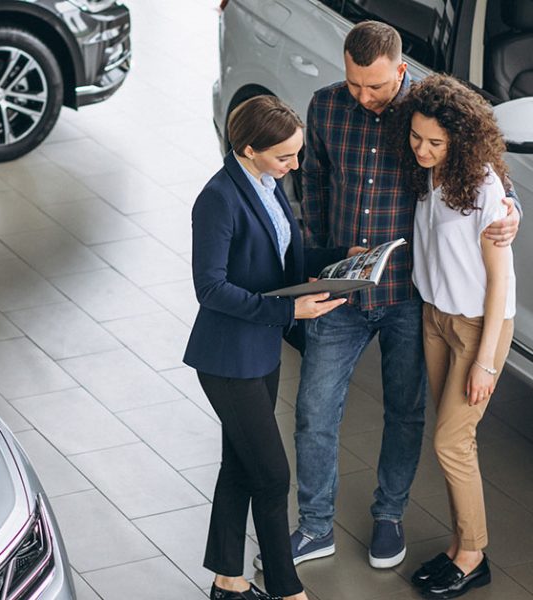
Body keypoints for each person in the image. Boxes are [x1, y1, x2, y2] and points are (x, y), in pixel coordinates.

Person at [280, 21, 521, 571]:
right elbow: (312, 179)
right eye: (354, 84)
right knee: (314, 410)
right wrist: (321, 253)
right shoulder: (325, 108)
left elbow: (489, 178)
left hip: (409, 296)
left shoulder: (428, 118)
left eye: (377, 87)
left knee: (407, 412)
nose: (364, 97)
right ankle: (316, 526)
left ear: (401, 72)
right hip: (340, 290)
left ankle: (389, 516)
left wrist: (512, 214)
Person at [184, 95, 361, 600]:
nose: (295, 166)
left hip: (260, 350)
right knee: (271, 473)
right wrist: (289, 312)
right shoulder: (218, 198)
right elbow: (210, 288)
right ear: (248, 148)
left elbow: (286, 257)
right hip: (227, 359)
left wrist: (342, 257)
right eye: (285, 157)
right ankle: (287, 591)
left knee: (240, 463)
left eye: (297, 154)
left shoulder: (268, 185)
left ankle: (227, 579)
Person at [395, 73, 515, 598]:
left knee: (451, 440)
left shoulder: (484, 188)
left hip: (475, 328)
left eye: (435, 142)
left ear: (461, 140)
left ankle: (473, 554)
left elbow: (500, 282)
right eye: (417, 137)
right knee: (452, 442)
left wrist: (486, 361)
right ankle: (458, 546)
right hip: (435, 319)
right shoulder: (428, 173)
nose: (422, 149)